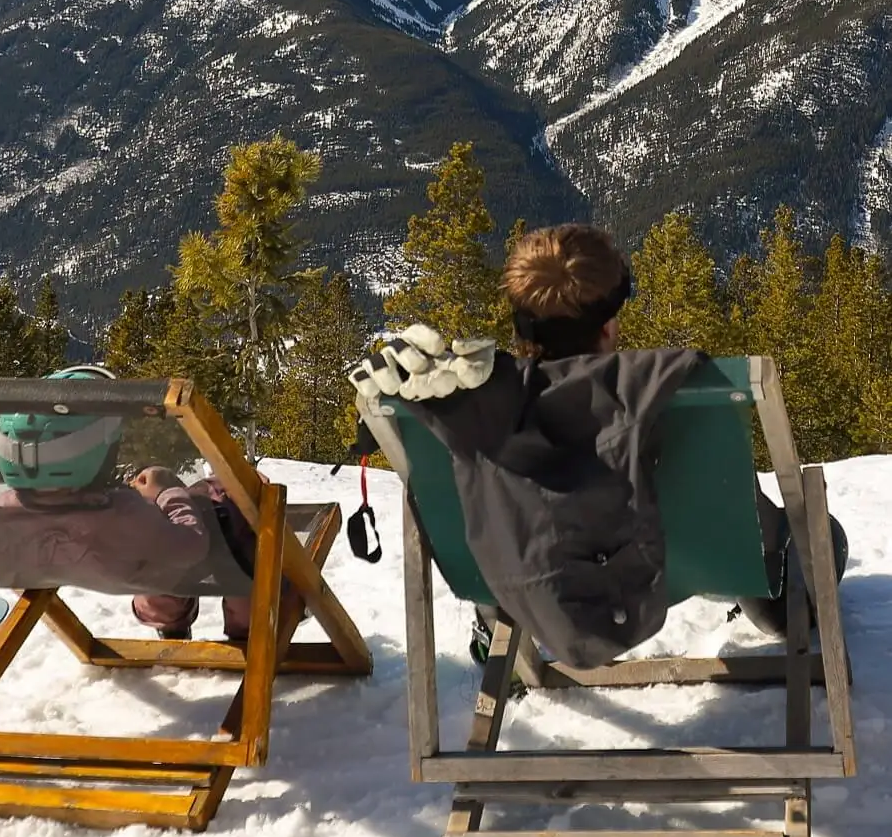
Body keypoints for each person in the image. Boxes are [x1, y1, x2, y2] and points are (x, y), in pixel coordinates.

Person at [350, 223, 846, 664]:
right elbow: (736, 520)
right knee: (821, 534)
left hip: (517, 581)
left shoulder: (471, 421)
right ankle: (786, 611)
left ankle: (500, 637)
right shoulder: (665, 402)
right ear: (608, 324)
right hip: (693, 561)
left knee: (494, 499)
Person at [0, 366, 256, 641]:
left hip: (106, 570)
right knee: (227, 500)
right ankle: (246, 627)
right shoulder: (124, 513)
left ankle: (168, 620)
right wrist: (168, 492)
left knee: (152, 556)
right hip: (160, 562)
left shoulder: (6, 512)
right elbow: (192, 546)